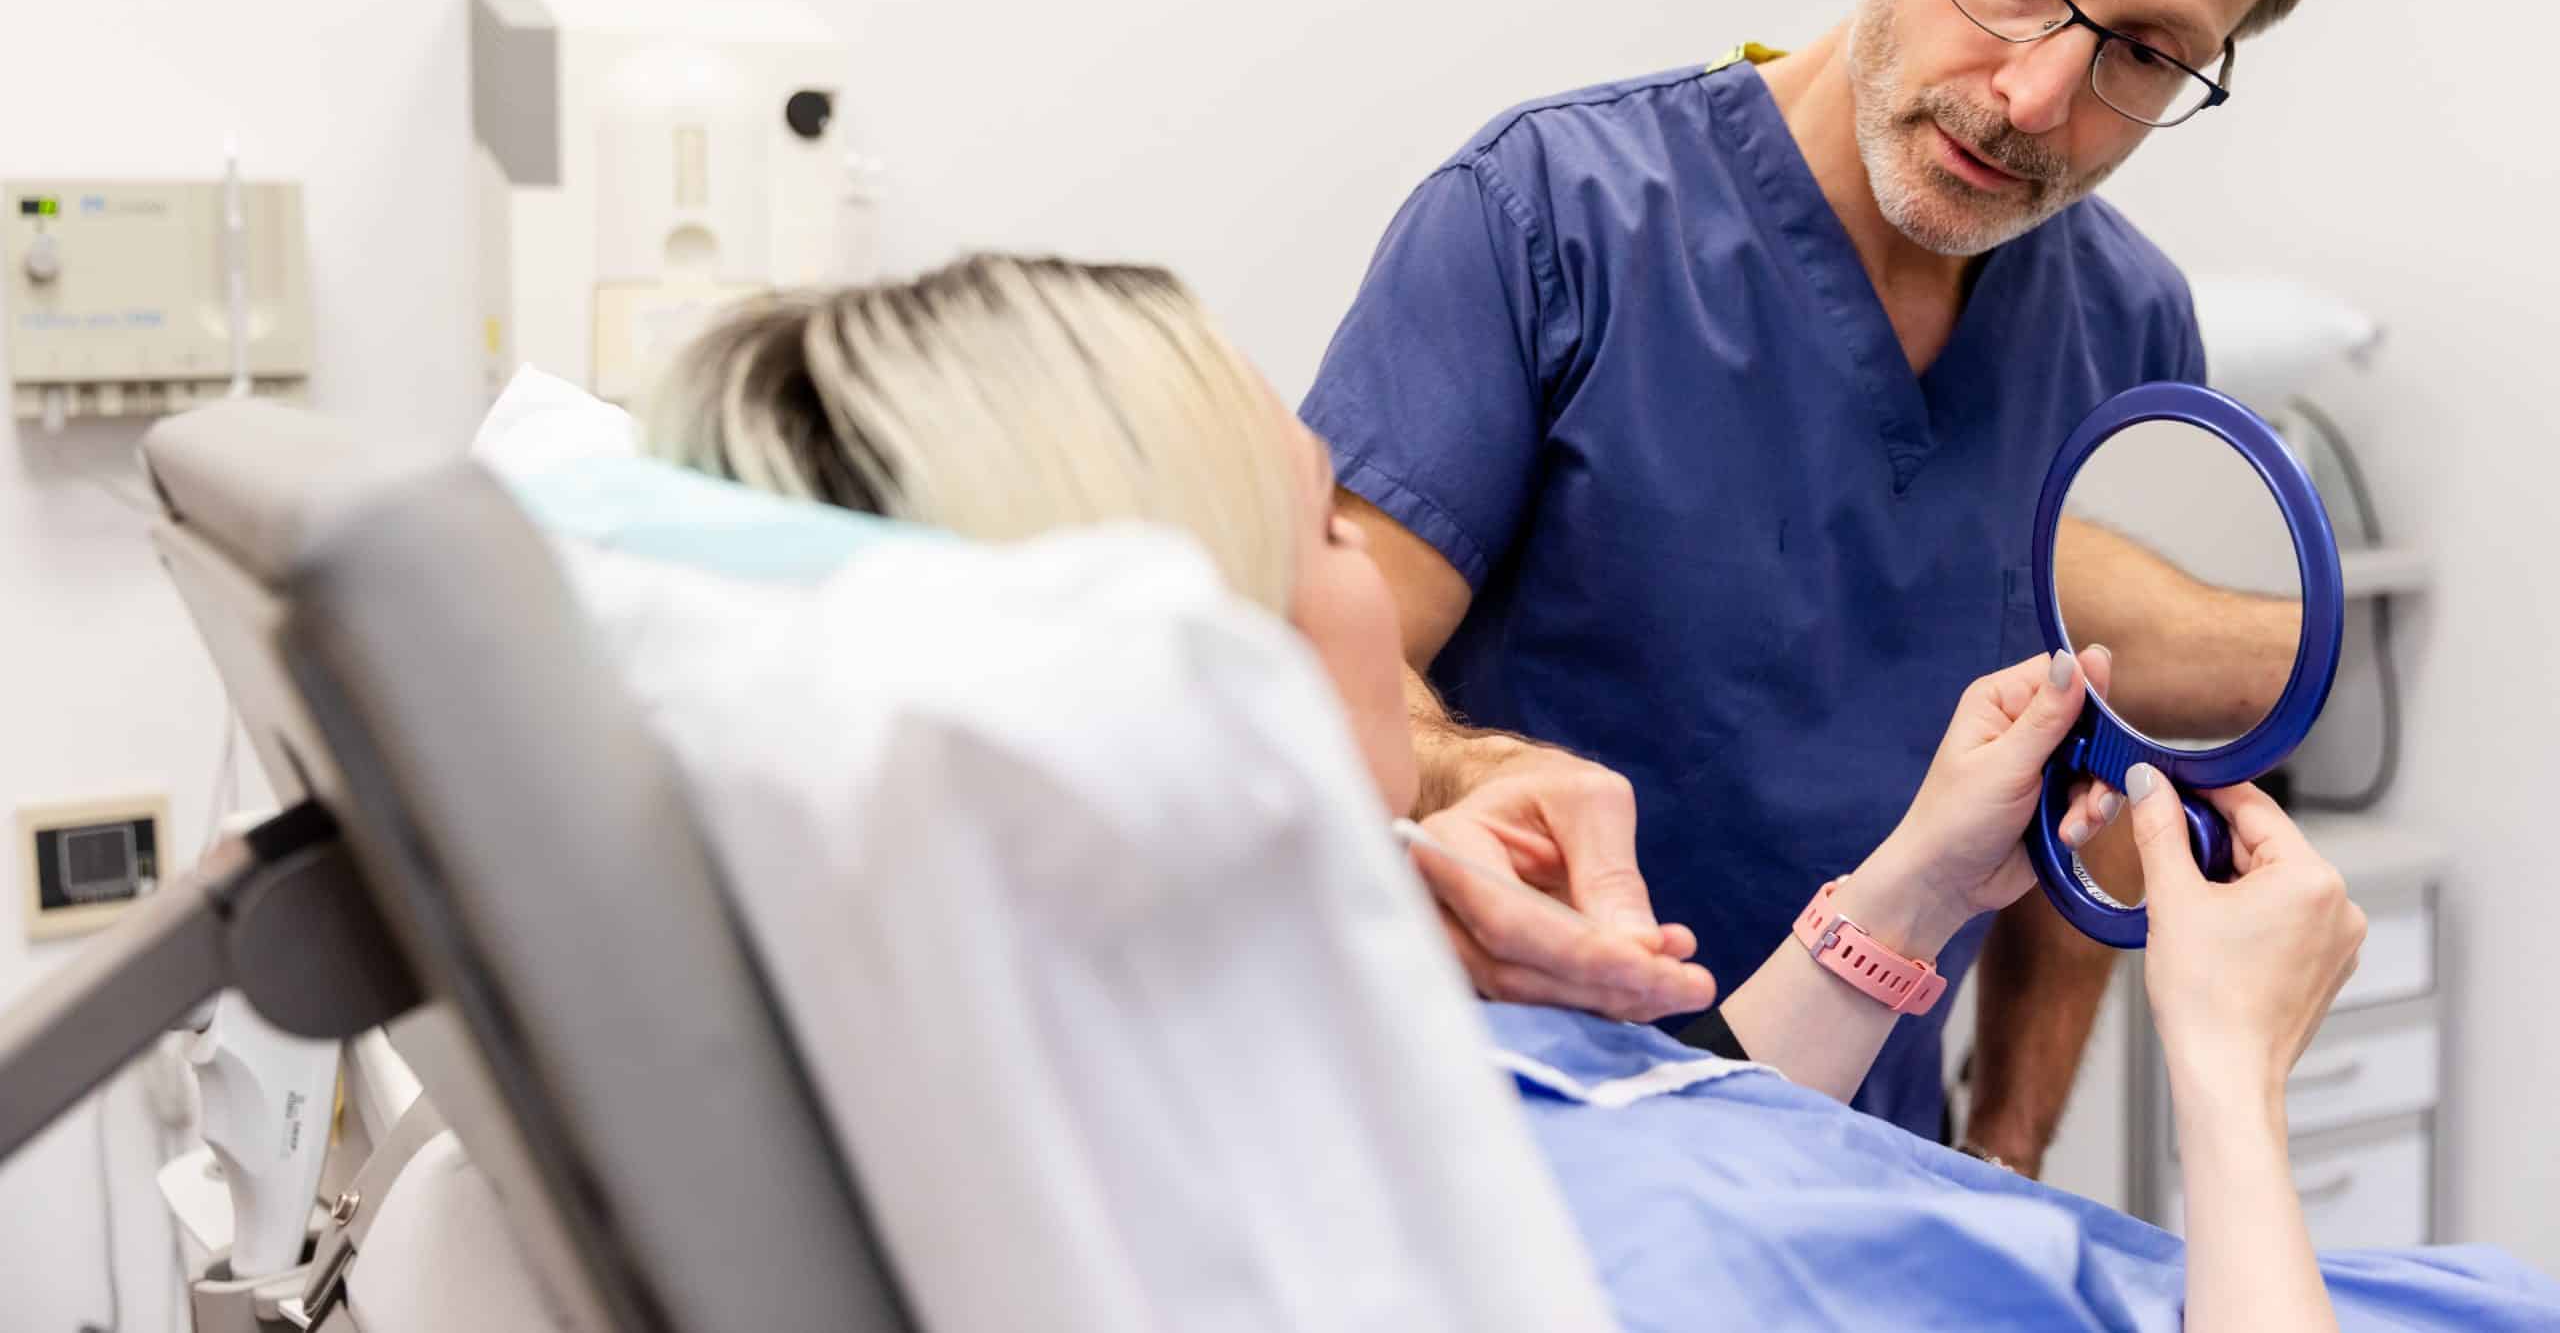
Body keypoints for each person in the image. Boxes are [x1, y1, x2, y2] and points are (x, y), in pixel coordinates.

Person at [643, 254, 2553, 1329]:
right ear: (1178, 640)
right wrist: (2225, 1070)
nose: (1383, 587)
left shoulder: (1311, 1028)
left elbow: (1689, 1122)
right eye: (1323, 523)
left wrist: (1917, 886)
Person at [1297, 0, 2341, 1165]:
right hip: (1501, 1139)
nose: (2039, 94)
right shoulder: (1548, 223)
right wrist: (1481, 770)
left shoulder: (2126, 328)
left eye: (2146, 54)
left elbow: (2088, 793)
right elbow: (1321, 677)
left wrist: (2009, 1148)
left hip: (1856, 1167)